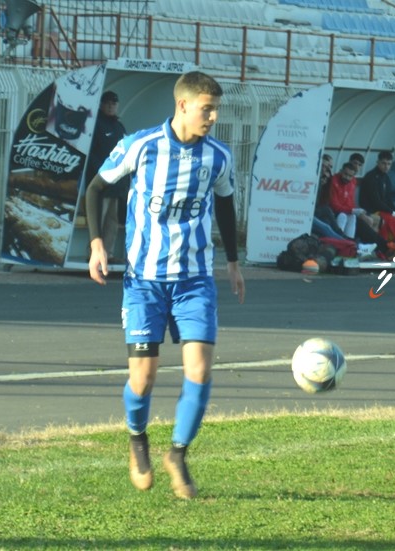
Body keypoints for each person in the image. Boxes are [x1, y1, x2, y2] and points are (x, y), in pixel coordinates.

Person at [84, 71, 245, 500]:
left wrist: (232, 262)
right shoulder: (141, 146)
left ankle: (178, 453)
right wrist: (97, 244)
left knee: (200, 370)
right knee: (143, 378)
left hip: (195, 280)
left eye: (216, 109)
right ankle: (138, 440)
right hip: (144, 282)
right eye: (207, 109)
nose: (213, 117)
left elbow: (225, 205)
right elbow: (97, 189)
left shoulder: (218, 157)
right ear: (183, 105)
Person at [86, 90, 128, 262]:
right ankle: (93, 254)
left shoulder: (119, 127)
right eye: (108, 103)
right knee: (98, 219)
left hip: (117, 185)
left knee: (112, 221)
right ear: (101, 105)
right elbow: (90, 153)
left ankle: (108, 254)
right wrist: (101, 173)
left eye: (114, 103)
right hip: (100, 183)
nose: (111, 106)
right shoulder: (95, 125)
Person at [359, 150, 395, 217]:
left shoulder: (386, 177)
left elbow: (388, 198)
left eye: (389, 164)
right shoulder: (370, 177)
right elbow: (375, 202)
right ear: (378, 162)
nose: (386, 166)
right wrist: (393, 213)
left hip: (383, 210)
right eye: (384, 163)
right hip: (371, 211)